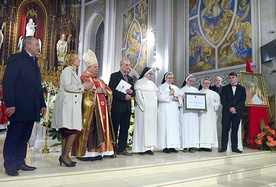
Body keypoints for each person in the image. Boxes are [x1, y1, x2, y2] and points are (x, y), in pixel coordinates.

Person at [2, 36, 46, 176]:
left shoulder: (34, 61)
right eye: (36, 44)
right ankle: (10, 164)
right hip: (19, 106)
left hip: (32, 106)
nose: (39, 47)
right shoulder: (16, 59)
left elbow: (37, 86)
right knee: (14, 136)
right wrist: (10, 104)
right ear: (27, 45)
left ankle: (20, 161)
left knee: (25, 136)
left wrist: (42, 104)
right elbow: (8, 82)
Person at [72, 49, 116, 161]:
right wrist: (96, 91)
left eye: (97, 66)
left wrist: (105, 91)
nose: (97, 68)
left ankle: (97, 152)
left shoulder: (99, 80)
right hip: (90, 110)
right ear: (89, 67)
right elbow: (81, 90)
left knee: (100, 129)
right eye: (95, 67)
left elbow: (109, 90)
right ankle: (86, 153)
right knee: (90, 129)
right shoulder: (83, 78)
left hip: (102, 110)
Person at [51, 51, 92, 167]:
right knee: (74, 130)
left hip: (71, 104)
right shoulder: (67, 71)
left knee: (67, 131)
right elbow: (68, 86)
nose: (79, 60)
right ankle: (64, 155)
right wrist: (83, 86)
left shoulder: (72, 72)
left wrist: (83, 88)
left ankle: (64, 156)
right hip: (68, 104)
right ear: (71, 60)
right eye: (77, 58)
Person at [108, 59, 135, 156]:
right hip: (117, 106)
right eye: (126, 65)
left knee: (125, 128)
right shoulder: (115, 76)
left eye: (129, 65)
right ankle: (112, 149)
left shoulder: (130, 78)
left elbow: (133, 92)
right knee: (114, 128)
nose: (128, 67)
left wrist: (131, 93)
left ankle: (122, 149)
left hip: (127, 108)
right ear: (121, 65)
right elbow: (111, 89)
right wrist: (124, 96)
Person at [132, 67, 158, 155]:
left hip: (152, 110)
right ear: (145, 73)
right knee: (142, 128)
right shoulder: (139, 82)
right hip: (142, 110)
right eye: (150, 73)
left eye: (152, 74)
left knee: (151, 129)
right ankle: (140, 148)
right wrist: (144, 107)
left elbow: (155, 97)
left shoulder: (152, 84)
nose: (151, 75)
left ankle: (149, 148)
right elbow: (138, 97)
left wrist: (154, 108)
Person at [219, 72, 246, 153]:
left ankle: (234, 147)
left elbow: (242, 100)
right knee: (225, 129)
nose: (231, 79)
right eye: (230, 78)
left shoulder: (242, 88)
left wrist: (235, 108)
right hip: (227, 112)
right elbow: (223, 100)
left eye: (233, 77)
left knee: (235, 130)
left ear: (236, 78)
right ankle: (223, 147)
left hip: (237, 112)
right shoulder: (224, 88)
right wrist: (230, 108)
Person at [157, 72, 181, 154]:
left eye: (172, 78)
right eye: (169, 78)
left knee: (174, 128)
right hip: (164, 110)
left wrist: (178, 100)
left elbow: (181, 98)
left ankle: (172, 146)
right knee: (165, 127)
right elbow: (159, 97)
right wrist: (169, 94)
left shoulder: (176, 88)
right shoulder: (160, 87)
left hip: (174, 110)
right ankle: (165, 146)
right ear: (165, 78)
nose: (170, 79)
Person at [198, 78, 221, 152]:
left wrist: (213, 104)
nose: (206, 84)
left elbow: (218, 102)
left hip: (210, 114)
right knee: (201, 128)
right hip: (200, 115)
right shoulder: (198, 92)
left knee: (209, 129)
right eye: (204, 83)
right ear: (201, 84)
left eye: (207, 83)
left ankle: (208, 145)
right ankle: (201, 145)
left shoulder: (214, 93)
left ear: (209, 84)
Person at [179, 75, 199, 153]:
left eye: (192, 81)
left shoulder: (196, 90)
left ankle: (191, 146)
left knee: (193, 129)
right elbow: (178, 103)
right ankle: (185, 146)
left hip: (193, 113)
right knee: (185, 128)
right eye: (189, 81)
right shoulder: (181, 90)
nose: (191, 82)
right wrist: (182, 98)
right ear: (186, 80)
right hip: (184, 113)